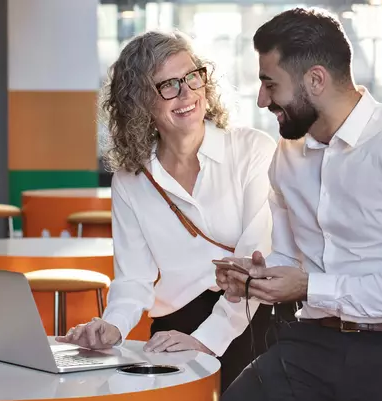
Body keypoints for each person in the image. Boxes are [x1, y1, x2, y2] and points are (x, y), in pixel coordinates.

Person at [216, 7, 382, 401]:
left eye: (270, 84)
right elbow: (292, 257)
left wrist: (312, 287)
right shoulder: (287, 157)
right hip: (310, 343)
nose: (262, 100)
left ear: (315, 80)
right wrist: (257, 277)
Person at [54, 30, 287, 390]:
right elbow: (134, 279)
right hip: (173, 330)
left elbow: (257, 262)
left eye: (192, 76)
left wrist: (206, 339)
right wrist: (112, 326)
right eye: (167, 85)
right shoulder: (132, 179)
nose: (187, 93)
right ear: (139, 103)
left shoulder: (252, 150)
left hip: (253, 321)